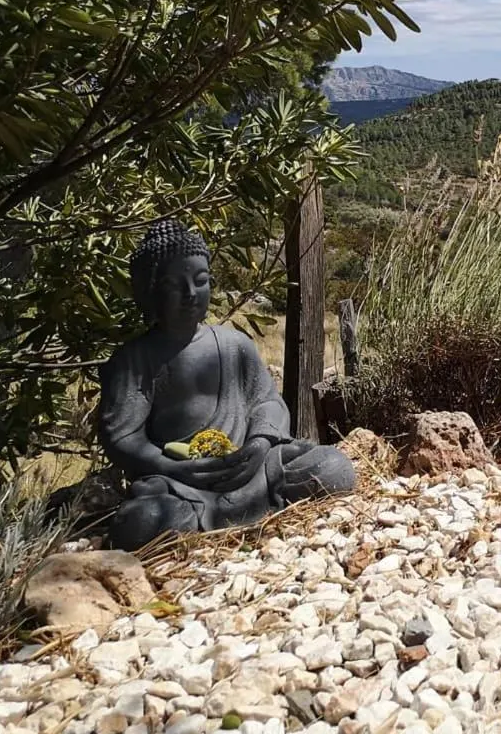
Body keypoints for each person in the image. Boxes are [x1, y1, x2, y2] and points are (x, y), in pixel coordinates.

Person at [98, 219, 355, 550]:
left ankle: (246, 508)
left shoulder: (234, 345)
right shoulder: (135, 358)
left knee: (333, 468)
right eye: (176, 285)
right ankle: (200, 522)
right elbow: (122, 437)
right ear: (151, 291)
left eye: (201, 281)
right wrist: (169, 466)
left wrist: (261, 442)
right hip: (184, 482)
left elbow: (267, 402)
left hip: (252, 469)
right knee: (143, 521)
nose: (191, 294)